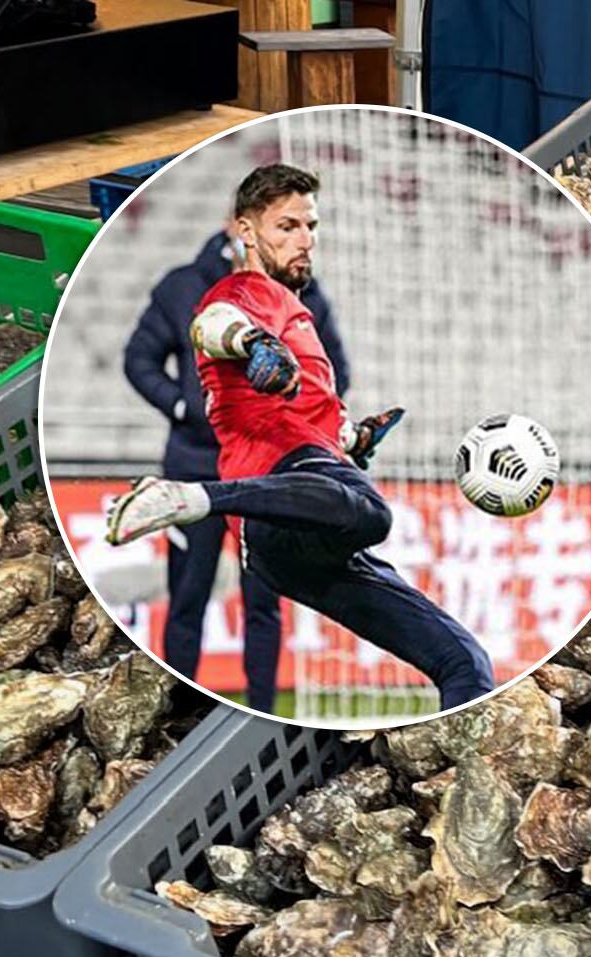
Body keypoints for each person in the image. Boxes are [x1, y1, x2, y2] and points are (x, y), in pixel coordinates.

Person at [106, 163, 496, 711]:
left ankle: (262, 711)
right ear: (245, 231)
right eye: (287, 226)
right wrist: (251, 343)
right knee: (367, 513)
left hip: (298, 519)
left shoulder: (303, 306)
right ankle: (186, 500)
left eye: (310, 226)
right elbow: (212, 324)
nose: (305, 240)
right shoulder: (245, 289)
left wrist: (351, 437)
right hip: (268, 475)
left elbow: (310, 396)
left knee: (463, 662)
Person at [122, 222, 352, 714]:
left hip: (268, 469)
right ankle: (178, 711)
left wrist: (298, 417)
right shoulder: (183, 285)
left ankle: (262, 712)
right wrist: (183, 408)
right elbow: (139, 359)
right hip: (195, 466)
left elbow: (337, 372)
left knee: (264, 603)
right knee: (189, 594)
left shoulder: (301, 297)